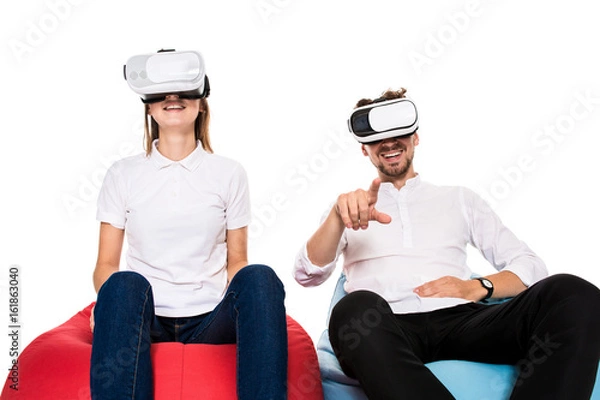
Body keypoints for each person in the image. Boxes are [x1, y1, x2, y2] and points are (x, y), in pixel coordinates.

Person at [293, 87, 600, 399]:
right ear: (364, 149)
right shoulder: (350, 209)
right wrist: (336, 216)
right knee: (353, 310)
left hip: (462, 321)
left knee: (573, 293)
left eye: (398, 133)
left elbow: (531, 266)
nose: (388, 143)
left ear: (415, 137)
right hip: (384, 329)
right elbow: (307, 274)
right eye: (376, 138)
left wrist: (477, 287)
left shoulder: (458, 199)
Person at [90, 50, 288, 400]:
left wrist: (257, 306)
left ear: (201, 103)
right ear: (149, 107)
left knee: (260, 276)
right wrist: (107, 304)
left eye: (182, 90)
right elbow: (105, 264)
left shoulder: (229, 173)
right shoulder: (122, 174)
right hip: (145, 318)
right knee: (121, 283)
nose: (172, 98)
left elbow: (237, 260)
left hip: (211, 318)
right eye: (162, 93)